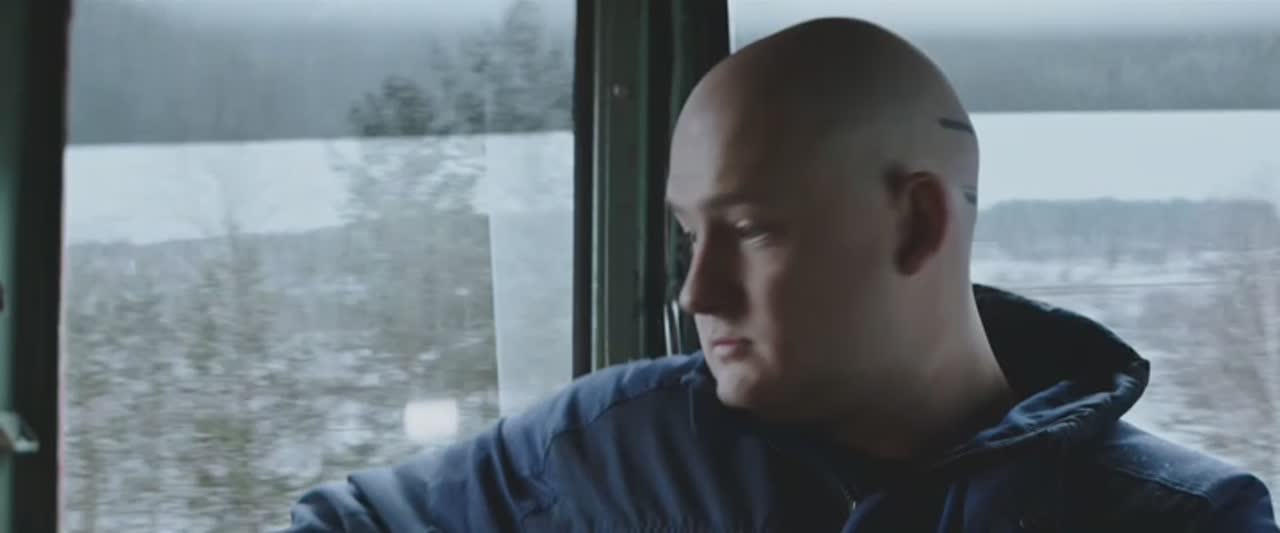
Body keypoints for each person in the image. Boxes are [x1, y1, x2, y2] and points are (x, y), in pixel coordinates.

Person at [280, 17, 1278, 532]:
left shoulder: (1179, 521)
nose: (696, 292)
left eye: (752, 229)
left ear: (917, 222)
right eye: (689, 234)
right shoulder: (615, 441)